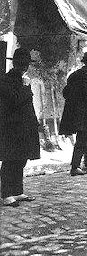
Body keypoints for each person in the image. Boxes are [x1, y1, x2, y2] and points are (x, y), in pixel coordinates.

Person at [0, 48, 40, 207]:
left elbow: (28, 105)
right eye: (22, 64)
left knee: (21, 159)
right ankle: (6, 194)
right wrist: (25, 87)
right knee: (10, 160)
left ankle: (17, 191)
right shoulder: (5, 80)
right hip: (12, 127)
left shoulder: (23, 80)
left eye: (25, 65)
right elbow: (15, 100)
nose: (24, 67)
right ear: (15, 64)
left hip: (25, 127)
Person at [59, 51, 87, 176]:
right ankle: (75, 166)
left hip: (74, 111)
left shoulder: (74, 75)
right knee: (83, 138)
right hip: (84, 112)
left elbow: (65, 92)